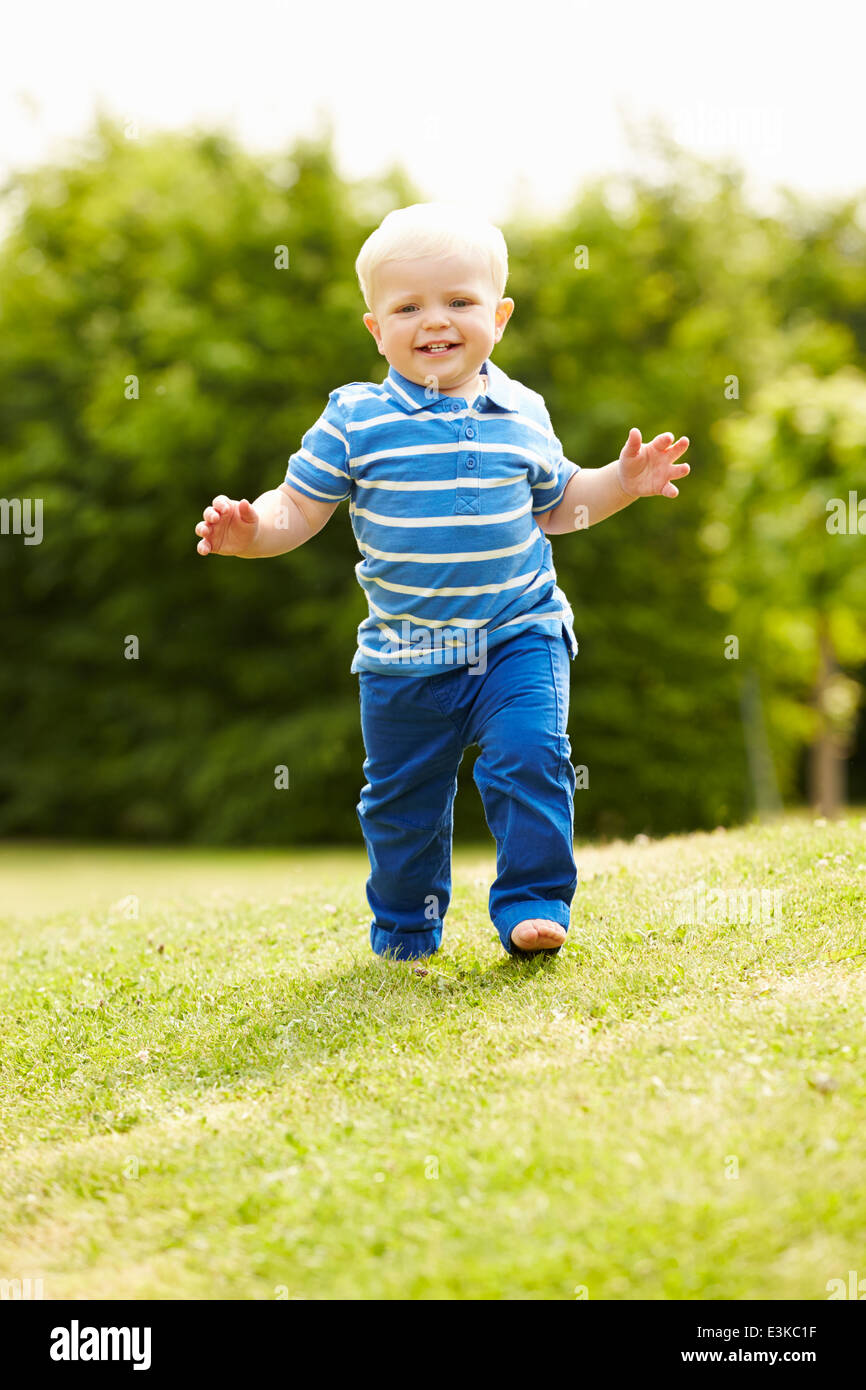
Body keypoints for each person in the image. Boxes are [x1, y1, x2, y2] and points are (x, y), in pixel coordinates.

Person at [194, 202, 690, 962]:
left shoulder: (523, 410)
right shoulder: (355, 419)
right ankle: (405, 927)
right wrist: (250, 531)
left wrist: (621, 481)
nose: (436, 321)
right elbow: (295, 508)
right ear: (375, 328)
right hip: (404, 654)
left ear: (500, 314)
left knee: (529, 756)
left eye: (459, 301)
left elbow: (561, 507)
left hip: (517, 634)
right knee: (402, 807)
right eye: (409, 306)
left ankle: (531, 902)